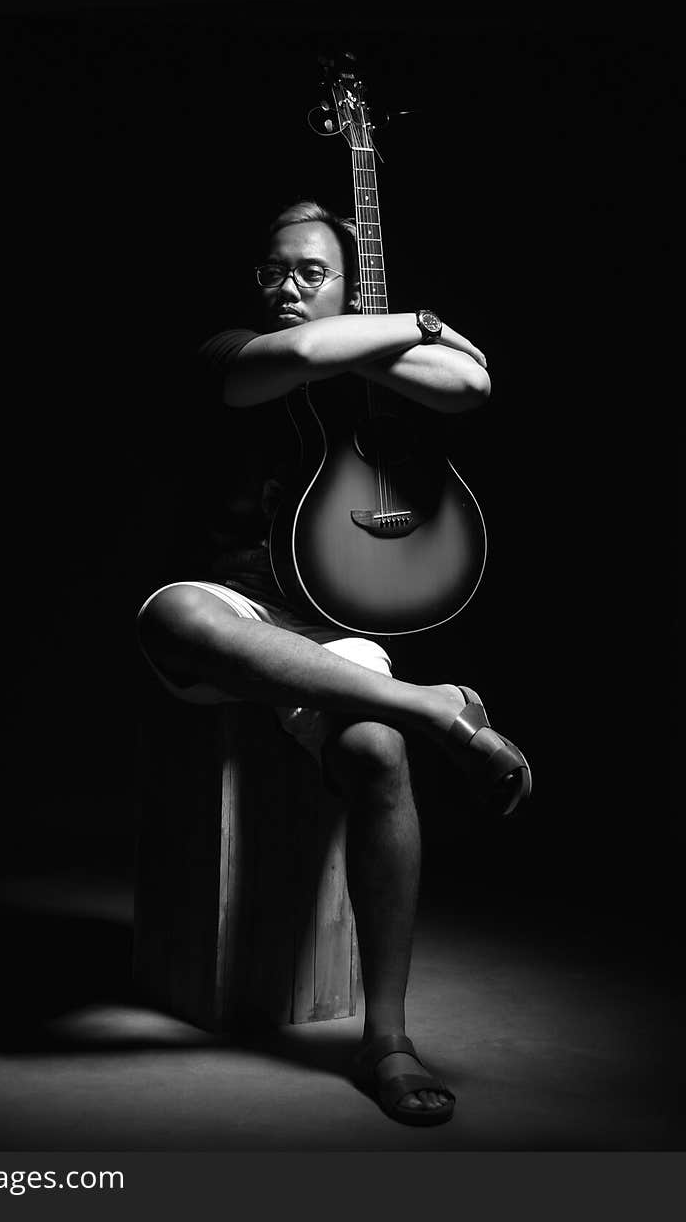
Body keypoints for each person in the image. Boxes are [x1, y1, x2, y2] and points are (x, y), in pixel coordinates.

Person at [136, 200, 531, 1127]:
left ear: (352, 289)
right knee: (176, 611)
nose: (286, 287)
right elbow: (310, 357)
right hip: (232, 612)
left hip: (327, 632)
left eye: (311, 273)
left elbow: (471, 391)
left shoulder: (369, 364)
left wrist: (403, 343)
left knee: (376, 758)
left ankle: (386, 1040)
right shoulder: (232, 350)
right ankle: (437, 708)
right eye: (274, 269)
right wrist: (424, 324)